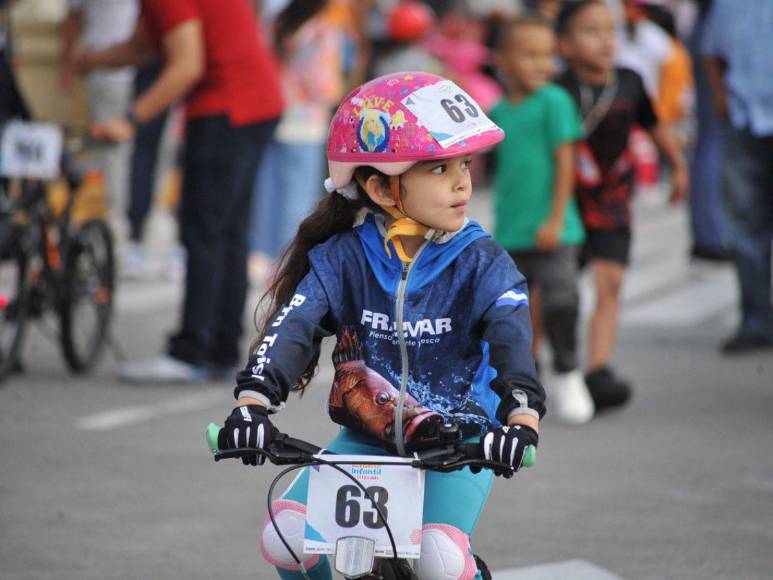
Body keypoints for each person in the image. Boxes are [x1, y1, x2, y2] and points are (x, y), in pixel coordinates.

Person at [217, 71, 545, 579]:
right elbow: (292, 327)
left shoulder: (483, 261)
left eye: (464, 164)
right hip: (368, 437)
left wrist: (520, 421)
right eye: (438, 168)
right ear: (379, 186)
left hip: (461, 439)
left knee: (439, 559)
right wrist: (251, 405)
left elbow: (513, 342)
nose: (463, 181)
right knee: (284, 537)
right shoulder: (342, 259)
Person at [76, 0, 283, 382]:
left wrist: (129, 119)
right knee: (227, 233)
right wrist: (88, 59)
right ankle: (221, 347)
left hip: (228, 108)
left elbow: (187, 64)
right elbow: (141, 48)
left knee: (205, 231)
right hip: (256, 99)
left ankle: (193, 352)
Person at [555, 0, 688, 409]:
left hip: (613, 200)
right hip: (566, 200)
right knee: (557, 289)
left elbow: (654, 124)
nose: (604, 39)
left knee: (610, 282)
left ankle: (598, 369)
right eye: (590, 31)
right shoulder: (558, 88)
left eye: (609, 30)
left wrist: (679, 167)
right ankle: (546, 364)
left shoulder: (630, 80)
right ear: (564, 43)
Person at [490, 16, 591, 424]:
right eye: (529, 55)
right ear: (502, 60)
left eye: (547, 56)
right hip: (512, 229)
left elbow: (566, 164)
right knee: (513, 311)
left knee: (562, 300)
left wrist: (554, 218)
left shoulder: (555, 101)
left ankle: (568, 370)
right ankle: (526, 381)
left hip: (555, 228)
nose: (541, 64)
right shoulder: (498, 110)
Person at [249, 0, 345, 287]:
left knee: (267, 193)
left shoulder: (277, 24)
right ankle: (285, 264)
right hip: (306, 123)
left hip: (273, 116)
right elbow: (323, 85)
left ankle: (259, 256)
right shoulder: (321, 32)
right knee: (297, 197)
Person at [702, 0, 773, 354]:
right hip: (744, 117)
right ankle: (757, 319)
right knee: (745, 221)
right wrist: (720, 98)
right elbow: (710, 50)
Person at [60, 0, 139, 234]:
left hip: (114, 69)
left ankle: (111, 222)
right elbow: (72, 18)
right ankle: (110, 222)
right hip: (105, 72)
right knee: (108, 152)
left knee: (111, 152)